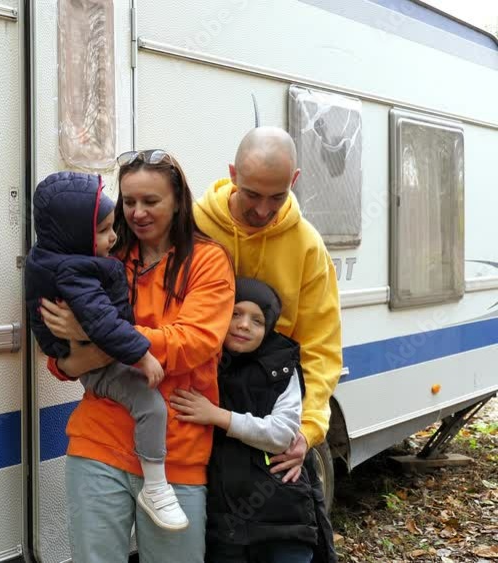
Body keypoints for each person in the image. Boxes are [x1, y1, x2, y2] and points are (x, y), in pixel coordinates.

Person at [40, 150, 235, 562]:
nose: (137, 213)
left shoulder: (208, 261)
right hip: (99, 441)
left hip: (176, 451)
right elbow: (62, 364)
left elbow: (193, 343)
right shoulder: (106, 256)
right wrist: (84, 347)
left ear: (179, 200)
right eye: (129, 202)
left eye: (151, 201)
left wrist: (99, 336)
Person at [193, 126, 342, 562]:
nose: (262, 210)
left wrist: (308, 432)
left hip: (271, 427)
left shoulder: (307, 246)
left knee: (290, 542)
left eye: (276, 197)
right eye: (252, 193)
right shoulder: (197, 226)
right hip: (199, 419)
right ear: (232, 173)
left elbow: (321, 346)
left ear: (294, 181)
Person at [25, 171, 187, 530]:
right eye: (104, 230)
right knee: (151, 406)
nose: (114, 236)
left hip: (89, 356)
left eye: (151, 202)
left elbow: (196, 341)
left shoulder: (61, 254)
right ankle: (157, 487)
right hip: (97, 377)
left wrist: (90, 342)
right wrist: (140, 352)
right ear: (76, 233)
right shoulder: (73, 269)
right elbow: (101, 321)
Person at [170, 278, 320, 563]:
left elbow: (283, 434)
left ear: (270, 327)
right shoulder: (204, 363)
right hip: (225, 521)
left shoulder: (281, 366)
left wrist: (219, 417)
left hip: (282, 517)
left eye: (257, 320)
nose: (243, 325)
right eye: (235, 314)